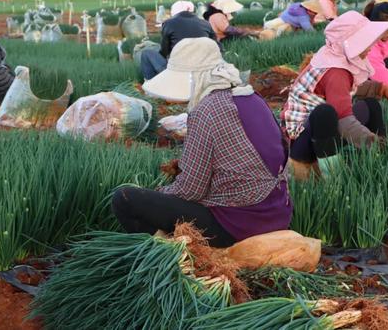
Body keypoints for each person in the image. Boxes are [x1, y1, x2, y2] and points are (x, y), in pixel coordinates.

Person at [115, 37, 292, 248]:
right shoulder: (253, 97)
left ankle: (173, 258)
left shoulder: (207, 110)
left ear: (194, 78)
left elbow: (191, 190)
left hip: (238, 224)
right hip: (278, 213)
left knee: (124, 199)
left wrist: (159, 192)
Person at [281, 11, 388, 180]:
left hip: (321, 131)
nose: (370, 46)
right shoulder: (336, 71)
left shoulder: (335, 55)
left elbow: (347, 89)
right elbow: (343, 120)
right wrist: (371, 141)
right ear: (351, 44)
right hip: (302, 142)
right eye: (365, 43)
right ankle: (332, 176)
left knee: (371, 105)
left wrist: (381, 89)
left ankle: (378, 159)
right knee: (325, 114)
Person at [140, 1, 216, 80]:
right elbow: (217, 47)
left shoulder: (169, 23)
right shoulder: (205, 24)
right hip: (203, 68)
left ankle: (152, 84)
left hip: (178, 70)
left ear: (175, 11)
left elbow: (164, 51)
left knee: (146, 53)